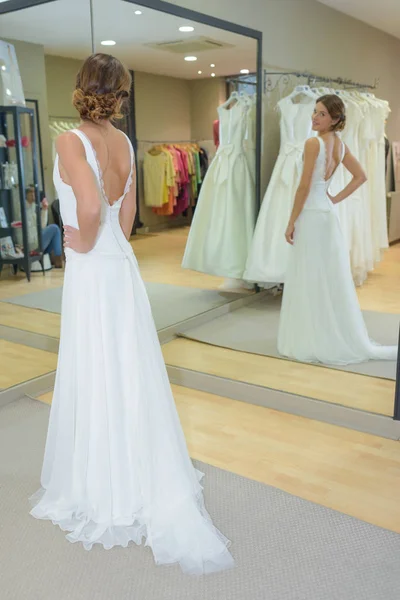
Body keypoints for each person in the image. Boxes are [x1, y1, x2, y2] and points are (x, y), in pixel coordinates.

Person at [29, 54, 233, 575]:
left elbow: (92, 211)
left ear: (79, 89)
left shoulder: (70, 141)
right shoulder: (122, 142)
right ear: (119, 94)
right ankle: (136, 465)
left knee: (97, 364)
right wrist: (108, 238)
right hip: (121, 264)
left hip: (94, 266)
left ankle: (104, 482)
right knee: (127, 365)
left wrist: (84, 239)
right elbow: (126, 210)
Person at [278, 94, 397, 365]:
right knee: (327, 276)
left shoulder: (312, 143)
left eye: (320, 114)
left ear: (334, 119)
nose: (314, 117)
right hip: (326, 215)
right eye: (314, 112)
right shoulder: (340, 146)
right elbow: (361, 176)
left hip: (310, 214)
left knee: (310, 274)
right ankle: (328, 332)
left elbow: (304, 187)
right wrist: (333, 198)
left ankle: (311, 336)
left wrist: (291, 221)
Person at [25, 187, 63, 268]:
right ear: (26, 194)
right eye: (30, 192)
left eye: (34, 192)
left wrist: (44, 210)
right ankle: (58, 260)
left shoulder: (33, 206)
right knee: (55, 228)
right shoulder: (25, 208)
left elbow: (42, 226)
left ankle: (56, 260)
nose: (33, 194)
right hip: (31, 244)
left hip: (37, 241)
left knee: (55, 233)